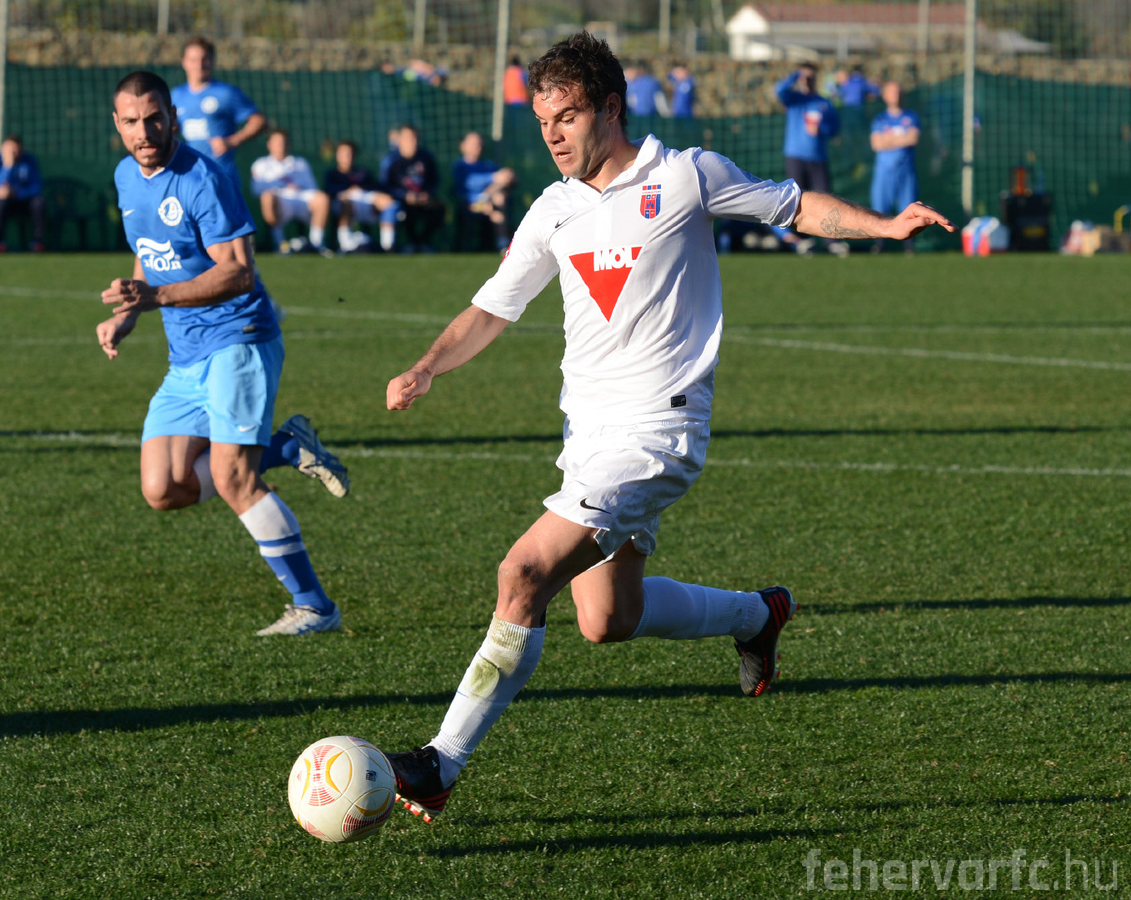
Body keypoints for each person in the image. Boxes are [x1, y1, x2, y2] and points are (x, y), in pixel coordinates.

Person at [379, 31, 952, 821]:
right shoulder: (554, 209)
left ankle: (441, 762)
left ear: (610, 108)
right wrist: (426, 367)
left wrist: (883, 227)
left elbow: (794, 204)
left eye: (567, 116)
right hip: (588, 439)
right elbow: (492, 307)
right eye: (543, 121)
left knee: (523, 574)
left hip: (658, 435)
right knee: (606, 619)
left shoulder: (684, 175)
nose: (552, 135)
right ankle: (758, 615)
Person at [97, 71, 350, 636]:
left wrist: (156, 297)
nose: (145, 132)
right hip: (185, 355)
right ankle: (284, 447)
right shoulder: (125, 176)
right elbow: (148, 255)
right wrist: (128, 314)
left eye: (154, 119)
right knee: (163, 489)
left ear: (172, 117)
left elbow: (237, 272)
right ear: (117, 124)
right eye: (132, 122)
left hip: (239, 339)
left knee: (232, 478)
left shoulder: (203, 177)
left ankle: (315, 607)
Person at [170, 37, 267, 189]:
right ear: (184, 62)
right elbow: (173, 129)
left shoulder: (226, 93)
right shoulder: (177, 95)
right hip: (190, 176)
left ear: (212, 61)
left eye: (204, 59)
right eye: (193, 60)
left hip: (221, 175)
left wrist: (231, 141)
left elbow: (259, 121)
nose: (199, 65)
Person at [775, 62, 843, 256]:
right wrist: (795, 76)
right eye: (806, 77)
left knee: (825, 199)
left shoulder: (823, 102)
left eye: (811, 77)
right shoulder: (795, 99)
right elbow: (779, 91)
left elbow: (834, 128)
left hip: (818, 158)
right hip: (795, 157)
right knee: (797, 200)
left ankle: (830, 241)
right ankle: (803, 241)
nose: (808, 80)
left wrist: (821, 128)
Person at [250, 129, 332, 256]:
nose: (280, 146)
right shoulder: (260, 164)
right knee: (267, 197)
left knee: (323, 199)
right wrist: (280, 187)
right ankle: (280, 244)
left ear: (288, 144)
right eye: (277, 142)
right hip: (280, 202)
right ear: (269, 145)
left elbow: (312, 188)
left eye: (283, 142)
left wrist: (297, 188)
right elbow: (257, 190)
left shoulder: (301, 163)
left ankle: (316, 244)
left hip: (302, 199)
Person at [869, 81, 921, 254]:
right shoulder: (880, 119)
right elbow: (876, 144)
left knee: (908, 206)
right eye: (891, 92)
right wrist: (901, 139)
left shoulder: (911, 116)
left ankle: (909, 245)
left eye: (898, 92)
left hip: (905, 170)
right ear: (885, 96)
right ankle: (879, 244)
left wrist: (889, 139)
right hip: (884, 171)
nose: (895, 95)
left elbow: (913, 138)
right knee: (880, 206)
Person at [325, 139, 399, 253]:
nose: (347, 157)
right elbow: (329, 190)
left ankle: (388, 246)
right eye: (343, 153)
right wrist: (347, 191)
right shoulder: (332, 174)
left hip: (365, 203)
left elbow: (376, 187)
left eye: (350, 153)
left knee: (389, 202)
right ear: (337, 155)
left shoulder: (363, 172)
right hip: (343, 205)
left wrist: (362, 188)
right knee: (346, 202)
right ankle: (345, 245)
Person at [380, 124, 443, 253]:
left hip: (423, 199)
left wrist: (427, 193)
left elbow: (434, 180)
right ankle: (410, 244)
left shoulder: (426, 157)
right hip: (401, 201)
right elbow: (385, 186)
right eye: (408, 138)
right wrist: (404, 196)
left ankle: (423, 242)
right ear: (400, 140)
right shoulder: (391, 160)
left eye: (415, 138)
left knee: (440, 208)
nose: (413, 142)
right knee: (404, 210)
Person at [451, 131, 516, 251]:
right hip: (471, 205)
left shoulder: (489, 165)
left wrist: (508, 177)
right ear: (463, 146)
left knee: (499, 198)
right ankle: (503, 243)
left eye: (480, 144)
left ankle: (503, 243)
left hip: (490, 202)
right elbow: (469, 181)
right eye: (474, 144)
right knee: (496, 202)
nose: (478, 147)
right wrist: (494, 177)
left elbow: (504, 183)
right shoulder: (460, 166)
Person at [0, 135, 46, 253]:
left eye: (16, 149)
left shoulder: (29, 161)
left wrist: (16, 193)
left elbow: (36, 187)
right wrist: (8, 167)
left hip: (23, 201)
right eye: (10, 149)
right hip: (3, 203)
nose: (13, 153)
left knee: (39, 203)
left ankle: (37, 242)